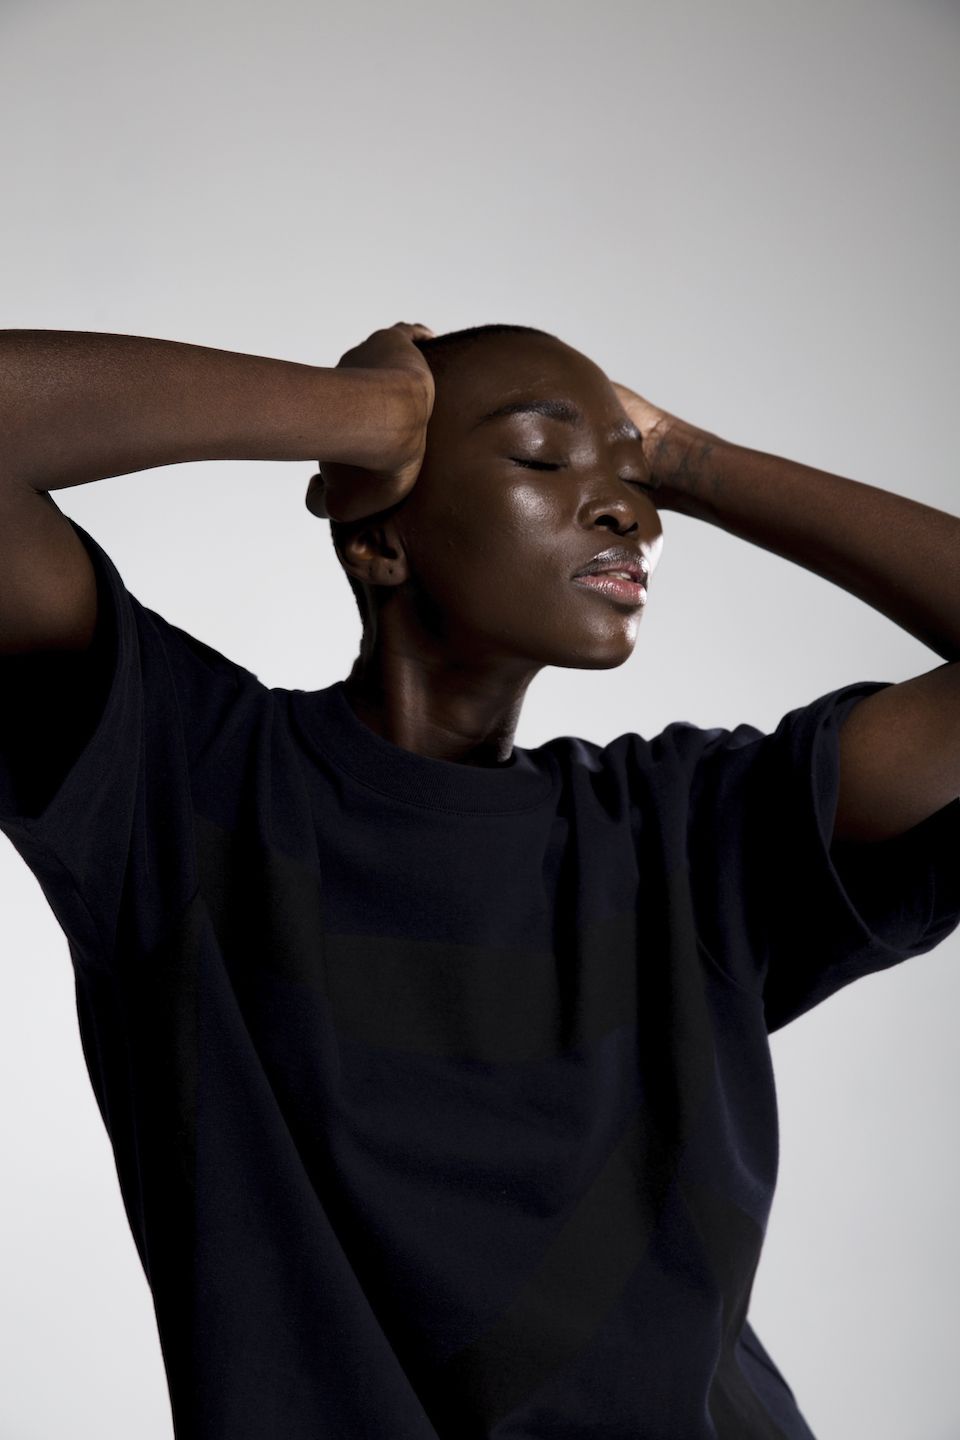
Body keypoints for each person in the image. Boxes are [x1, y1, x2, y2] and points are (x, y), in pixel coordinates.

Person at [1, 320, 958, 1440]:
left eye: (636, 480)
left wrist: (694, 460)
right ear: (379, 542)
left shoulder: (684, 832)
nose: (630, 512)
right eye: (543, 458)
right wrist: (367, 415)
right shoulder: (182, 780)